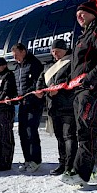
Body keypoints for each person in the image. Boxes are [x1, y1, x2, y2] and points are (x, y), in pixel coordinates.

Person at [60, 0, 97, 185]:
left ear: (92, 13)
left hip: (94, 88)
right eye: (77, 14)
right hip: (81, 90)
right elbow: (78, 67)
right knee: (89, 129)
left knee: (86, 130)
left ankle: (80, 173)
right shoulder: (83, 36)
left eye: (83, 12)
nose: (79, 16)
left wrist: (89, 80)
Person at [36, 39, 77, 176]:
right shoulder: (48, 66)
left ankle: (71, 166)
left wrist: (59, 89)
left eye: (58, 51)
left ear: (65, 50)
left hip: (68, 105)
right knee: (60, 137)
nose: (55, 55)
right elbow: (41, 80)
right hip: (53, 106)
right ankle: (62, 163)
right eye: (53, 52)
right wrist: (40, 90)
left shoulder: (72, 62)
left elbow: (74, 80)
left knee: (69, 136)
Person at [11, 43, 45, 172]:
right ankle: (27, 159)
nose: (15, 58)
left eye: (16, 55)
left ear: (23, 51)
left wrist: (26, 94)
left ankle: (35, 160)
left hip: (34, 103)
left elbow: (38, 83)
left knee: (31, 131)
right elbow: (16, 86)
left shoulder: (34, 64)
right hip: (22, 104)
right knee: (22, 132)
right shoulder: (17, 68)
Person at [0, 58, 17, 171]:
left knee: (6, 135)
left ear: (4, 65)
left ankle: (6, 161)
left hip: (6, 109)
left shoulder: (9, 75)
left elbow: (6, 91)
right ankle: (1, 159)